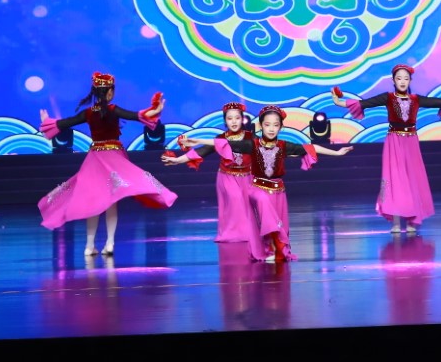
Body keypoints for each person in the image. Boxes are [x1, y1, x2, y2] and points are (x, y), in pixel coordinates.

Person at [37, 71, 177, 256]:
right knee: (111, 201)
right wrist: (156, 110)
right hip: (113, 157)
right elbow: (136, 115)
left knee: (93, 201)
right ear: (110, 92)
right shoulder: (113, 110)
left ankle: (89, 246)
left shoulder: (88, 113)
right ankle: (109, 243)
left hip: (94, 159)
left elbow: (65, 123)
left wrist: (47, 122)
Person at [335, 65, 441, 233]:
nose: (402, 81)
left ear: (410, 81)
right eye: (399, 78)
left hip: (411, 142)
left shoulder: (416, 99)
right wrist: (339, 102)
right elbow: (364, 103)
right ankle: (395, 222)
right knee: (393, 179)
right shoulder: (388, 98)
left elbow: (436, 102)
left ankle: (412, 221)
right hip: (394, 141)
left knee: (412, 179)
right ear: (393, 80)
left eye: (406, 78)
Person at [241, 105, 353, 262]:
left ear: (281, 126)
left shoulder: (283, 146)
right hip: (257, 189)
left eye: (275, 125)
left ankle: (275, 251)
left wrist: (336, 153)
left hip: (278, 192)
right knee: (264, 204)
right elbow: (221, 143)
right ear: (260, 125)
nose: (271, 129)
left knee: (276, 222)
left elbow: (311, 148)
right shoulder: (252, 144)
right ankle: (270, 248)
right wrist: (204, 142)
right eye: (267, 124)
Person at [163, 101, 254, 242]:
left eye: (237, 118)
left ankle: (249, 233)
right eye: (230, 118)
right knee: (235, 199)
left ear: (242, 119)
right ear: (225, 121)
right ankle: (235, 233)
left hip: (247, 176)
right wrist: (177, 160)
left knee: (247, 204)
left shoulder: (250, 137)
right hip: (227, 177)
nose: (234, 121)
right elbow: (201, 151)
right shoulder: (220, 139)